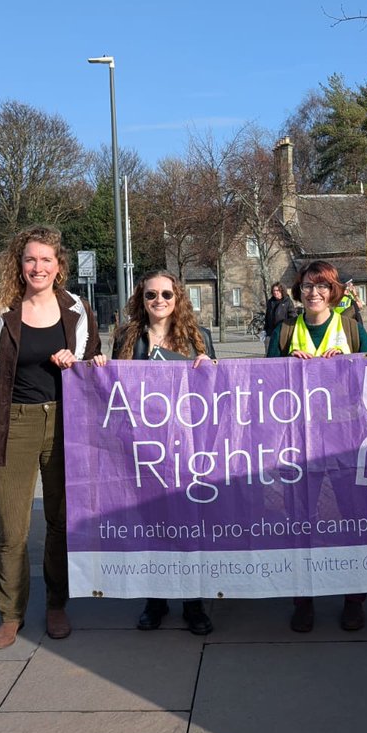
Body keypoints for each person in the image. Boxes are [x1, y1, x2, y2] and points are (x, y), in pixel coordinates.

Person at [0, 226, 105, 651]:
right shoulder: (1, 313)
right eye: (30, 259)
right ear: (19, 265)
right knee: (12, 528)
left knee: (61, 522)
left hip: (67, 423)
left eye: (46, 259)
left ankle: (57, 604)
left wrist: (79, 361)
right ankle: (11, 613)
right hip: (15, 424)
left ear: (59, 265)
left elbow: (95, 367)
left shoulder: (79, 311)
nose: (37, 267)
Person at [267, 260, 367, 632]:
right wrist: (284, 364)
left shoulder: (351, 328)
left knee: (355, 519)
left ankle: (354, 599)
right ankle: (303, 599)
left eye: (323, 286)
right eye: (309, 286)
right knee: (300, 522)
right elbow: (263, 385)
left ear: (334, 291)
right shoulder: (285, 331)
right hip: (298, 443)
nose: (315, 292)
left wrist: (350, 364)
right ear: (300, 290)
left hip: (345, 443)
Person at [114, 271, 216, 636]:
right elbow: (114, 389)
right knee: (153, 527)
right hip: (145, 449)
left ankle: (193, 603)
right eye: (150, 294)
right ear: (141, 299)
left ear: (178, 298)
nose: (159, 300)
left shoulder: (196, 338)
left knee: (189, 527)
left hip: (187, 448)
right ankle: (155, 599)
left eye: (166, 294)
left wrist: (210, 368)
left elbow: (219, 395)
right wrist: (98, 370)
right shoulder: (128, 338)